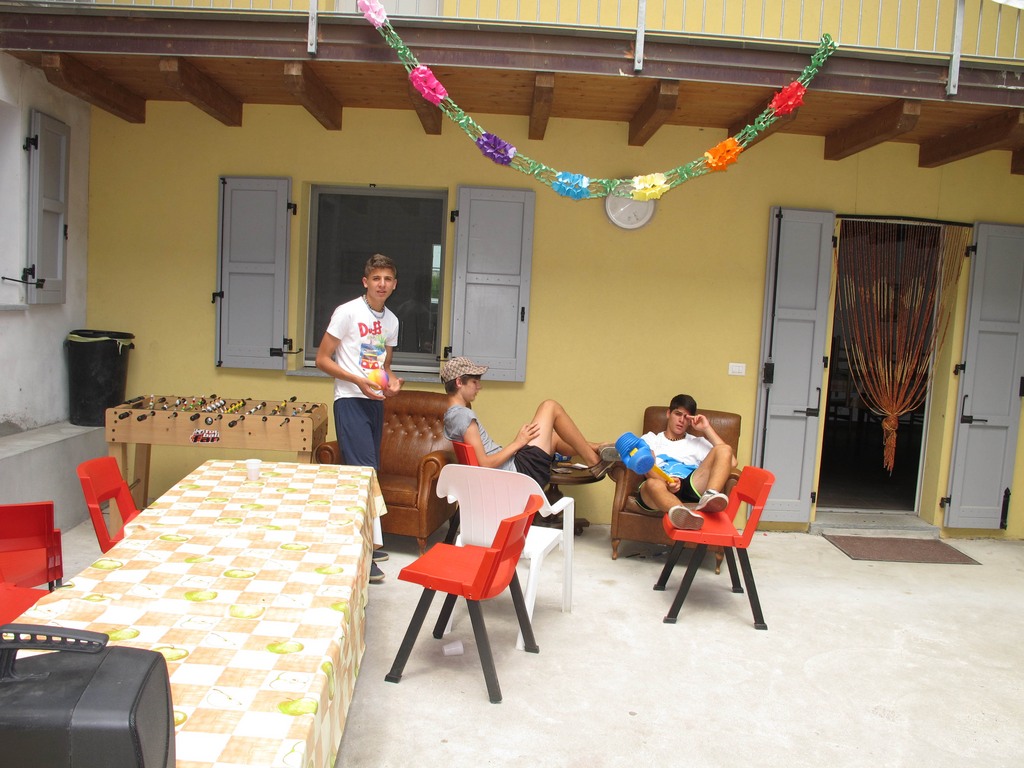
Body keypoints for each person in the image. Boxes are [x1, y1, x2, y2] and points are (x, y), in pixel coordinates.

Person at [316, 254, 403, 583]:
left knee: (369, 474)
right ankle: (363, 554)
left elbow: (382, 366)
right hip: (350, 400)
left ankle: (367, 541)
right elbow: (322, 359)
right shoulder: (347, 312)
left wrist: (390, 383)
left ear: (394, 285)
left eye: (388, 279)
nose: (382, 284)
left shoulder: (392, 321)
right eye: (376, 278)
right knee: (362, 475)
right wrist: (356, 380)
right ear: (366, 282)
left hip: (374, 402)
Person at [441, 356, 617, 487]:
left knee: (553, 438)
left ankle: (598, 448)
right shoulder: (463, 415)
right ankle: (594, 461)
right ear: (459, 382)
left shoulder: (453, 415)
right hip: (517, 473)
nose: (479, 387)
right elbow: (484, 464)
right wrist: (518, 442)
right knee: (550, 406)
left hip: (511, 470)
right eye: (474, 382)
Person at [634, 394, 737, 531]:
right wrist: (667, 482)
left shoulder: (697, 442)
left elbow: (732, 461)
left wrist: (706, 428)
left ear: (690, 421)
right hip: (660, 485)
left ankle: (709, 496)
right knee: (653, 483)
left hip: (690, 485)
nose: (681, 420)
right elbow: (647, 467)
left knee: (725, 448)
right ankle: (684, 516)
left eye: (686, 417)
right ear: (668, 414)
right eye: (677, 414)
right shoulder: (651, 438)